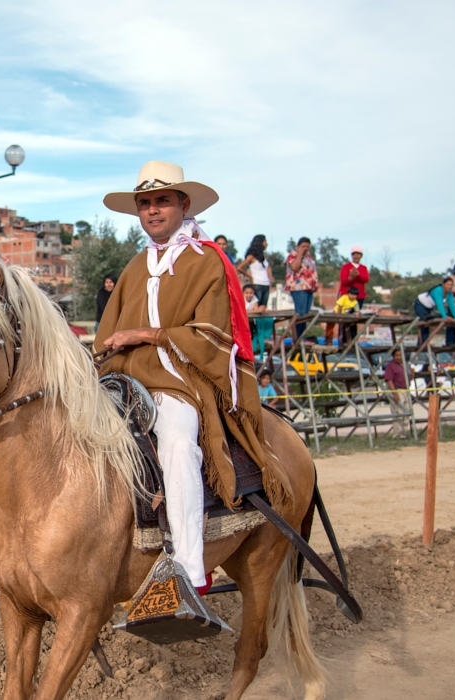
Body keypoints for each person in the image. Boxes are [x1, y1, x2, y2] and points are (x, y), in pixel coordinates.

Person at [96, 160, 290, 597]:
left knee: (179, 444)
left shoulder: (207, 263)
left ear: (184, 205)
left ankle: (187, 571)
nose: (152, 210)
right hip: (122, 378)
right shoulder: (133, 266)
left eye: (162, 201)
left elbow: (212, 335)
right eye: (144, 203)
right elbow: (107, 335)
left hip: (178, 378)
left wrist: (148, 335)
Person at [285, 237, 318, 338]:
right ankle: (297, 337)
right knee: (300, 314)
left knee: (306, 315)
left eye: (307, 247)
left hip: (309, 288)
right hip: (298, 288)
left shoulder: (309, 257)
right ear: (298, 246)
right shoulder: (292, 255)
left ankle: (302, 336)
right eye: (303, 246)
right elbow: (295, 267)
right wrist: (299, 254)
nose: (305, 249)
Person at [415, 277, 455, 346]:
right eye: (448, 285)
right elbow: (440, 305)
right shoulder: (438, 290)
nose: (449, 287)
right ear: (443, 284)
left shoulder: (450, 294)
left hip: (429, 307)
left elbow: (452, 305)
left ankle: (424, 343)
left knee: (428, 323)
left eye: (451, 285)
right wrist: (445, 317)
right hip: (420, 304)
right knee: (424, 323)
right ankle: (421, 344)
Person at [236, 235, 272, 308]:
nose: (266, 244)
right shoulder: (252, 256)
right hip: (257, 283)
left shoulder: (263, 256)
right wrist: (249, 276)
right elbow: (239, 267)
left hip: (266, 284)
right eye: (265, 241)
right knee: (256, 307)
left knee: (263, 307)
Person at [384, 348, 411, 438]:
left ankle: (403, 433)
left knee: (406, 412)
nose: (399, 357)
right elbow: (389, 380)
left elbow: (408, 378)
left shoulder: (405, 365)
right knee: (398, 412)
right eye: (397, 355)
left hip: (406, 390)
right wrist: (394, 393)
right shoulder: (391, 366)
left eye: (400, 355)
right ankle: (397, 434)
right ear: (393, 356)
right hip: (397, 390)